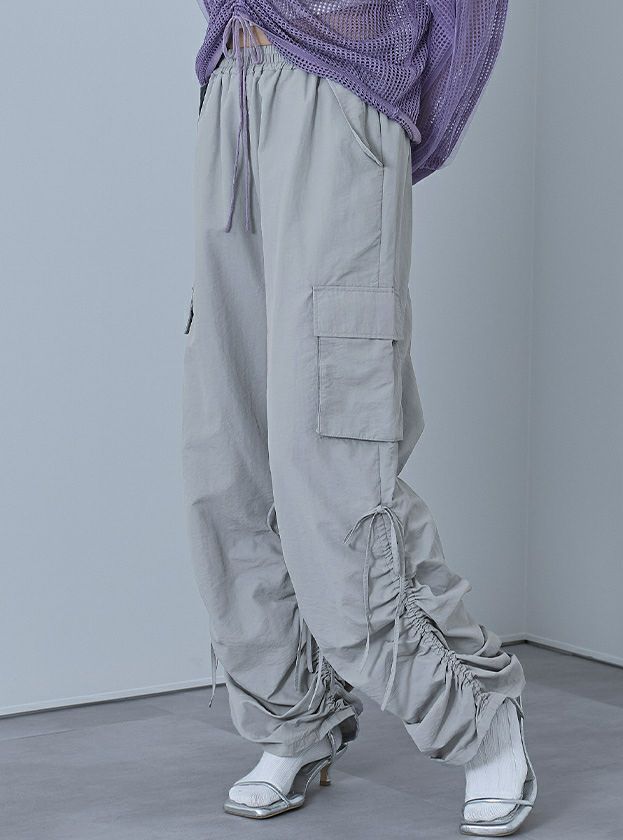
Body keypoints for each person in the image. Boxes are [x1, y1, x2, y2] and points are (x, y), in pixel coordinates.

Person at [182, 1, 536, 834]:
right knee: (226, 454)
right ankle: (293, 717)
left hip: (339, 94)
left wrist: (383, 103)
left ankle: (478, 720)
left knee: (334, 456)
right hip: (233, 90)